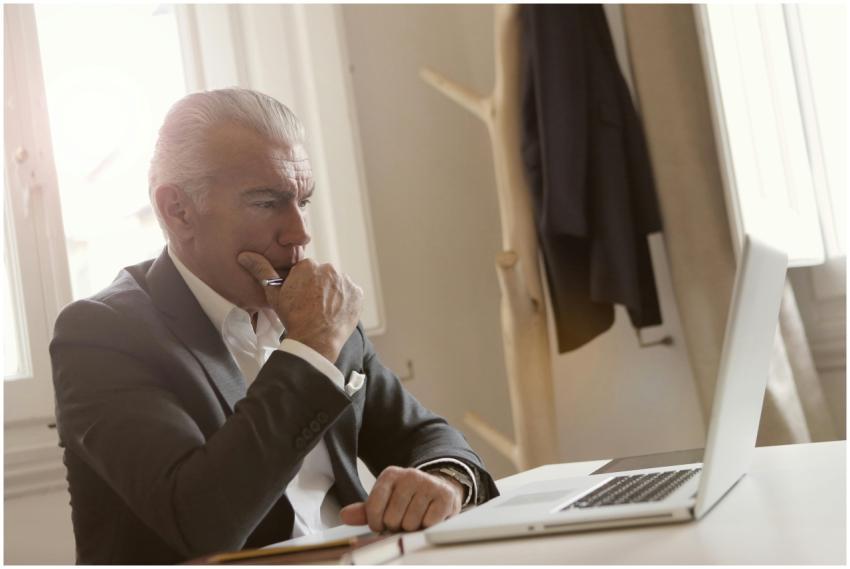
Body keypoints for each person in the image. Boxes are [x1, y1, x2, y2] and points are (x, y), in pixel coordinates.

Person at [50, 88, 497, 564]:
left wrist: (445, 482)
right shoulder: (100, 335)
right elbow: (201, 523)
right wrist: (311, 348)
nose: (300, 233)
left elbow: (426, 436)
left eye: (303, 201)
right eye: (267, 203)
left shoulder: (317, 311)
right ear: (177, 211)